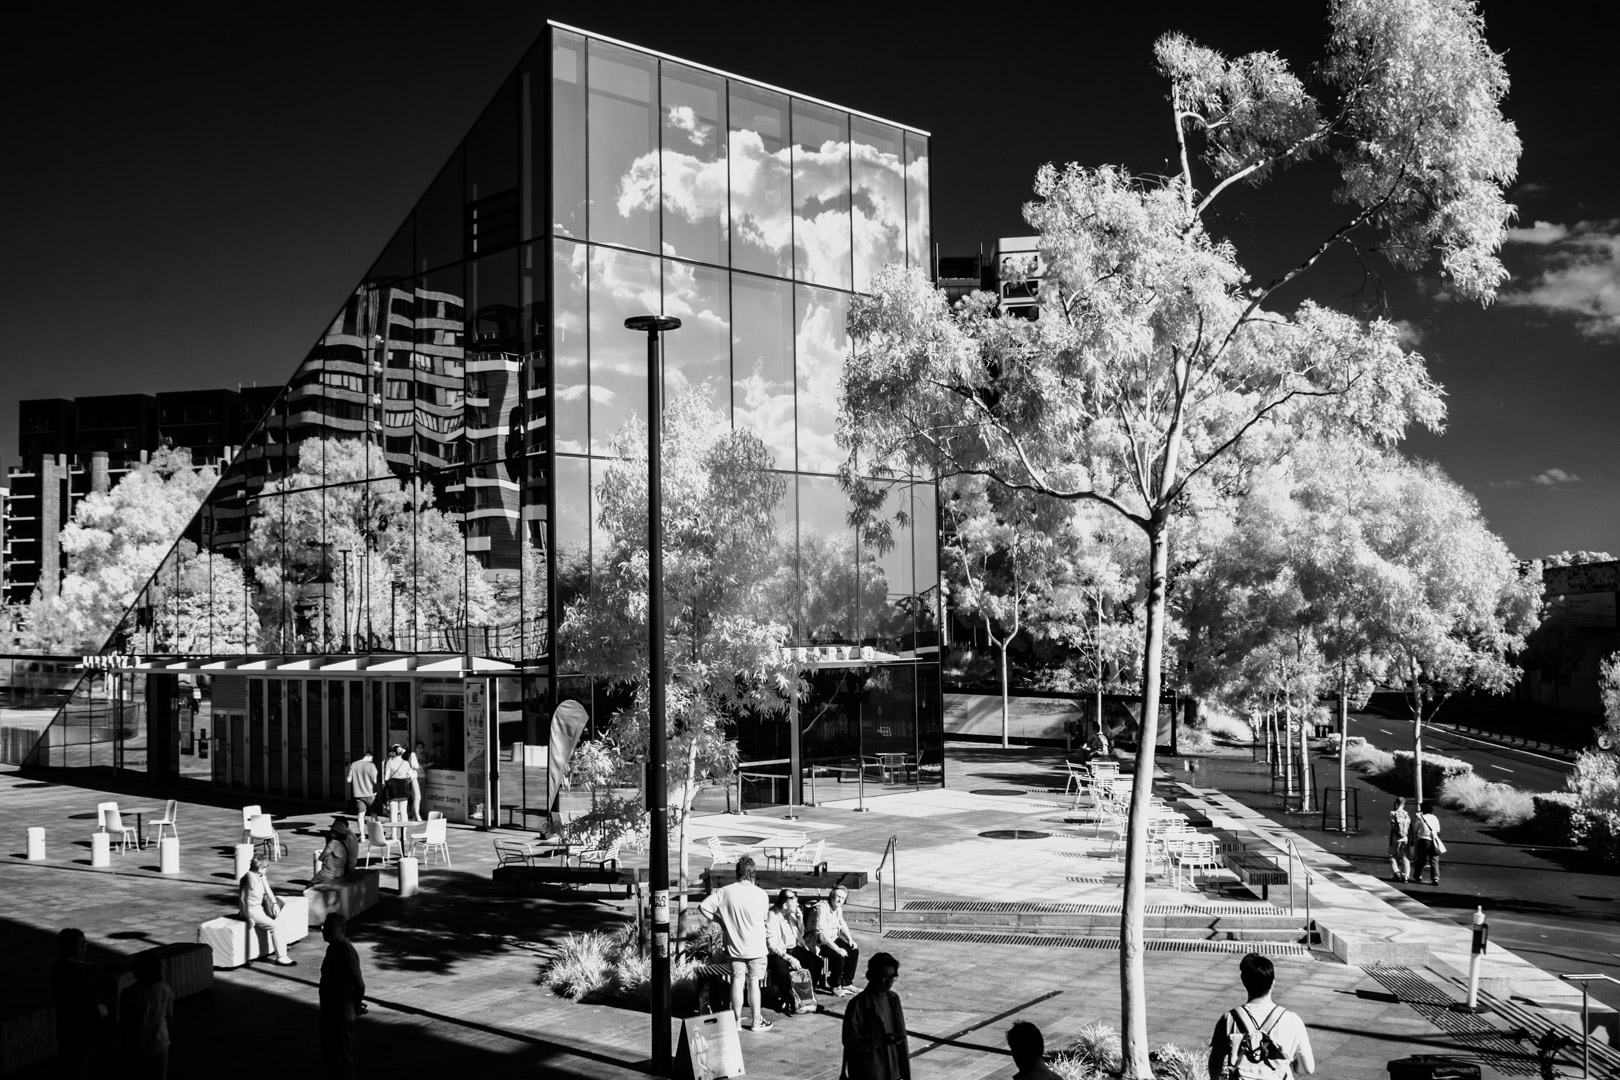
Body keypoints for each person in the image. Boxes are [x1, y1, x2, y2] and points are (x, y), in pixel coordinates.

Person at [1207, 952, 1314, 1080]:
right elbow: (1308, 1068)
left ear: (1244, 983)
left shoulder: (1228, 1019)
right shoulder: (1292, 1021)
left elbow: (1215, 1064)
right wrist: (1291, 1065)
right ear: (1273, 983)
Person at [696, 854, 773, 1032]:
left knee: (737, 981)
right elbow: (763, 918)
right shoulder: (761, 894)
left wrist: (720, 920)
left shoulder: (725, 891)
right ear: (753, 873)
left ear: (737, 873)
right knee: (754, 983)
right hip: (756, 947)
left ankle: (736, 1021)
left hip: (735, 946)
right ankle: (756, 1021)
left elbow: (703, 907)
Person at [841, 953, 909, 1080]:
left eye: (892, 977)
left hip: (893, 1072)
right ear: (871, 976)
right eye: (884, 977)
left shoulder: (893, 999)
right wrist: (879, 1040)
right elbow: (850, 1041)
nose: (889, 982)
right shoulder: (858, 1004)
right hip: (870, 1072)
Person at [319, 913, 366, 1080]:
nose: (325, 931)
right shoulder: (332, 947)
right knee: (330, 1054)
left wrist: (355, 1005)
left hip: (341, 1014)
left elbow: (359, 984)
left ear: (341, 930)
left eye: (330, 928)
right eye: (324, 927)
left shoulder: (346, 950)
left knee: (342, 1056)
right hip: (330, 1011)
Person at [51, 927, 103, 1079]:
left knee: (69, 1064)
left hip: (66, 1026)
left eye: (85, 943)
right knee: (79, 1065)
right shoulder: (77, 969)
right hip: (79, 1026)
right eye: (80, 944)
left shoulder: (58, 967)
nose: (84, 946)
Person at [764, 889, 821, 1015]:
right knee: (782, 971)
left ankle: (808, 996)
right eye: (794, 902)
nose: (797, 905)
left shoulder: (791, 913)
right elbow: (771, 945)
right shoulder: (772, 916)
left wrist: (800, 920)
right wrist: (789, 958)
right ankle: (785, 1000)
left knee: (816, 963)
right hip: (778, 952)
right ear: (785, 905)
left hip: (793, 947)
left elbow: (799, 934)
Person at [119, 951, 174, 1080]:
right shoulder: (165, 989)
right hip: (159, 1044)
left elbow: (124, 1020)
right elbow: (169, 1016)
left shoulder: (128, 993)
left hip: (134, 1046)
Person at [239, 856, 297, 966]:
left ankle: (281, 947)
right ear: (259, 868)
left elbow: (268, 890)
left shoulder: (261, 876)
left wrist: (274, 904)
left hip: (259, 908)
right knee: (276, 926)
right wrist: (247, 917)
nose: (267, 869)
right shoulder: (248, 879)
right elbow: (242, 899)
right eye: (266, 867)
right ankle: (281, 957)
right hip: (250, 910)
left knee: (281, 923)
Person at [814, 884, 860, 996]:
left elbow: (842, 925)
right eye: (838, 896)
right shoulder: (822, 908)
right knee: (838, 956)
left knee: (853, 951)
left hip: (833, 938)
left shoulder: (838, 909)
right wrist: (838, 949)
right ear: (832, 896)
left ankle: (847, 982)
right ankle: (835, 984)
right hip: (820, 942)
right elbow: (822, 935)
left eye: (843, 898)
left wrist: (850, 940)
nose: (840, 900)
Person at [1408, 800, 1443, 886]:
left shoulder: (1421, 818)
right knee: (1434, 860)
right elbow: (1438, 830)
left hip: (1423, 840)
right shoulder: (1435, 818)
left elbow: (1416, 829)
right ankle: (1435, 878)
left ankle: (1418, 875)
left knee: (1421, 859)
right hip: (1433, 840)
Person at [312, 818, 357, 884]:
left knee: (311, 885)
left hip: (332, 873)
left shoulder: (334, 843)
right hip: (341, 871)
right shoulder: (346, 839)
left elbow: (321, 858)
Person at [380, 744, 413, 823]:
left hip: (393, 787)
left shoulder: (389, 762)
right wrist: (406, 780)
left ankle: (394, 834)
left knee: (393, 812)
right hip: (404, 786)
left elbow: (386, 778)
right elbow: (412, 776)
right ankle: (404, 834)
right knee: (404, 812)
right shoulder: (406, 763)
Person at [346, 750, 377, 833]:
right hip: (370, 793)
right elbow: (375, 780)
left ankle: (362, 835)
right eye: (372, 757)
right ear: (369, 756)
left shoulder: (353, 764)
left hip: (358, 794)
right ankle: (374, 833)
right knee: (374, 814)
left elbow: (348, 780)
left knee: (360, 815)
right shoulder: (371, 765)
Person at [1388, 796, 1412, 882]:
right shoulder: (1406, 814)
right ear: (1403, 804)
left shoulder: (1393, 813)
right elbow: (1409, 826)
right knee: (1405, 857)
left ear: (1396, 804)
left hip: (1396, 838)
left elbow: (1391, 826)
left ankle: (1397, 872)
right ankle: (1405, 876)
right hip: (1405, 838)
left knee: (1392, 855)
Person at [409, 741, 428, 821]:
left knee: (420, 797)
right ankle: (415, 814)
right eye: (418, 747)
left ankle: (418, 813)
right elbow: (416, 766)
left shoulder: (424, 755)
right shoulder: (413, 755)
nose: (419, 749)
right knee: (416, 796)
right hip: (416, 777)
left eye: (421, 748)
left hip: (423, 776)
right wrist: (428, 765)